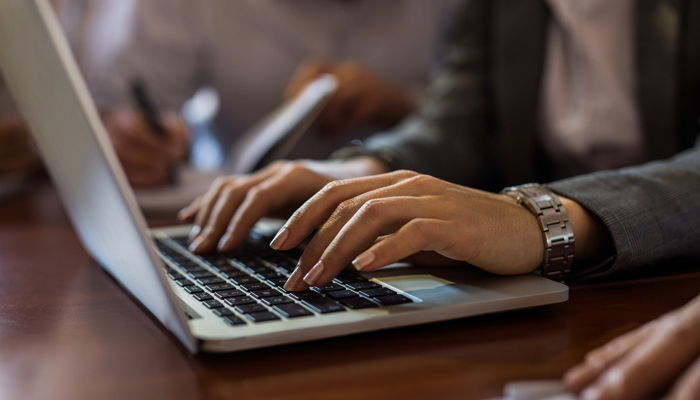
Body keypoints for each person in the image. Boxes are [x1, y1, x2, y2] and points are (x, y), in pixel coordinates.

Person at [90, 0, 460, 186]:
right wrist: (130, 134)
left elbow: (497, 119)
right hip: (244, 217)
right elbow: (117, 102)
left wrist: (405, 104)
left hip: (421, 208)